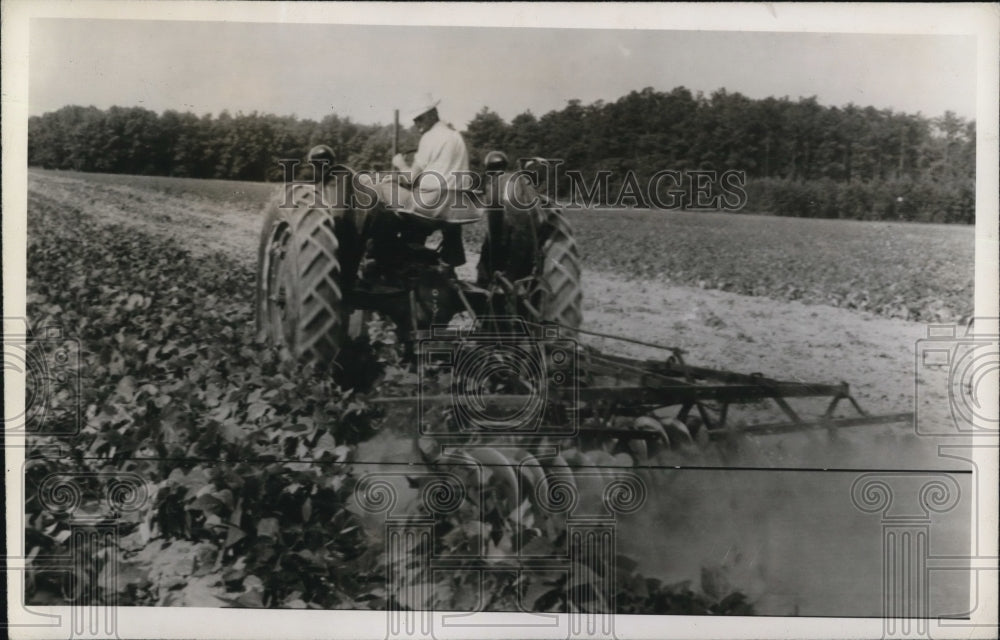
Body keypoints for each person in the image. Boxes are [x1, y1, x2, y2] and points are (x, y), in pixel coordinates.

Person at [371, 98, 476, 267]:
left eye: (420, 118)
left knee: (381, 190)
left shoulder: (430, 137)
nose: (416, 123)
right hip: (457, 208)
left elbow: (410, 178)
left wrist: (400, 164)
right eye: (414, 119)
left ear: (433, 114)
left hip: (430, 206)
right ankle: (451, 258)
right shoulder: (456, 136)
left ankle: (384, 259)